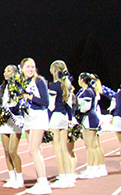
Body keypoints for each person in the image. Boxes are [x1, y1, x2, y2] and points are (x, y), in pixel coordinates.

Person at [19, 57, 53, 195]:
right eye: (28, 67)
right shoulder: (22, 82)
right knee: (36, 151)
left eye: (33, 67)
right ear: (22, 69)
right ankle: (40, 181)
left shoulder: (39, 81)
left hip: (39, 117)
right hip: (28, 118)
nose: (31, 69)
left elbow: (45, 101)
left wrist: (29, 97)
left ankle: (44, 183)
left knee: (32, 150)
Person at [48, 60, 75, 188]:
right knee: (64, 148)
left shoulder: (54, 86)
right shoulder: (68, 85)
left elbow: (51, 106)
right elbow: (69, 106)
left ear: (54, 71)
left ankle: (62, 178)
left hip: (56, 117)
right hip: (64, 117)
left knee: (57, 148)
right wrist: (70, 119)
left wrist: (47, 121)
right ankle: (70, 177)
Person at [0, 64, 24, 189]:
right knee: (7, 151)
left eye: (8, 70)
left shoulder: (19, 86)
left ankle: (20, 178)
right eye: (4, 70)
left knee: (13, 150)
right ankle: (12, 177)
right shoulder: (1, 88)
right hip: (4, 121)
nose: (5, 73)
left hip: (15, 120)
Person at [76, 72, 106, 179]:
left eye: (79, 79)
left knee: (90, 146)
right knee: (92, 145)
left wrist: (77, 109)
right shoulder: (88, 90)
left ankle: (91, 169)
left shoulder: (88, 91)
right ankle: (94, 168)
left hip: (89, 118)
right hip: (90, 118)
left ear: (82, 80)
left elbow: (86, 107)